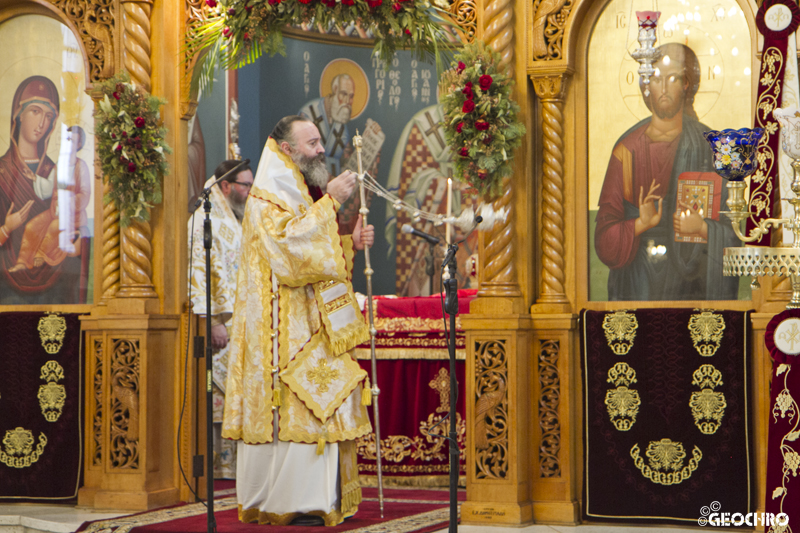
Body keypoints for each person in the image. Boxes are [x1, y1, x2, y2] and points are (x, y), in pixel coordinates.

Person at [222, 115, 375, 526]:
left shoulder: (294, 194)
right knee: (298, 409)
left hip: (304, 327)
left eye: (320, 140)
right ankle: (288, 498)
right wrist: (332, 203)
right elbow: (290, 254)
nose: (321, 149)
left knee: (318, 402)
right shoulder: (267, 198)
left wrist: (349, 242)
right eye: (311, 143)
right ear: (287, 150)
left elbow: (309, 247)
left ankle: (315, 498)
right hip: (278, 336)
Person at [594, 43, 739, 301]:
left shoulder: (713, 147)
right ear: (646, 85)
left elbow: (738, 233)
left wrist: (703, 229)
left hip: (694, 289)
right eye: (656, 78)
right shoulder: (626, 150)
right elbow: (604, 243)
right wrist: (640, 223)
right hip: (637, 288)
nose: (663, 87)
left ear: (686, 84)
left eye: (673, 78)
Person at [188, 159, 253, 479]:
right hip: (220, 324)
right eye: (246, 186)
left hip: (240, 323)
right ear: (226, 186)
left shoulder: (234, 217)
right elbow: (199, 273)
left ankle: (233, 466)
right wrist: (212, 320)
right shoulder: (204, 220)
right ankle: (218, 467)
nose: (250, 192)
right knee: (219, 396)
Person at [0, 75, 88, 304]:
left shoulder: (56, 168)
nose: (42, 123)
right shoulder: (1, 172)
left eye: (49, 116)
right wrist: (6, 229)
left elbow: (81, 215)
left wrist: (80, 243)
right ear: (18, 114)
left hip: (56, 286)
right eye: (35, 111)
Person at [10, 125, 91, 272]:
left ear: (78, 144)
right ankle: (22, 261)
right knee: (31, 226)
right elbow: (48, 188)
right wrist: (35, 178)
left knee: (54, 227)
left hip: (74, 216)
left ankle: (41, 254)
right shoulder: (60, 165)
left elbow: (85, 194)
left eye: (71, 140)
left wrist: (67, 200)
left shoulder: (82, 167)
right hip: (54, 211)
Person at [298, 73, 355, 176]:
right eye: (343, 94)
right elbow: (302, 157)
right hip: (312, 184)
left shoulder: (341, 123)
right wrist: (328, 179)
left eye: (351, 96)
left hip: (336, 187)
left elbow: (346, 159)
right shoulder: (309, 113)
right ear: (335, 89)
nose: (347, 101)